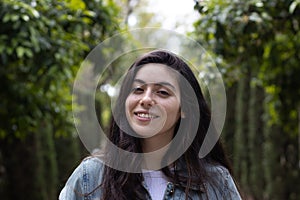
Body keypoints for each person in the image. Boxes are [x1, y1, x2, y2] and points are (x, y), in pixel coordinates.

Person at [59, 50, 242, 200]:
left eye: (162, 92)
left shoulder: (217, 183)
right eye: (138, 89)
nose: (146, 99)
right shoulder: (90, 177)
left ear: (185, 108)